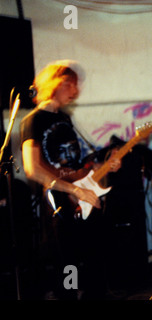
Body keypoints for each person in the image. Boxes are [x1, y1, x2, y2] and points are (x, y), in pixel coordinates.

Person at [20, 60, 121, 300]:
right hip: (59, 200)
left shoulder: (65, 119)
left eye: (76, 86)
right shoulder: (32, 121)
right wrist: (73, 190)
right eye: (69, 84)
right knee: (68, 264)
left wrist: (106, 164)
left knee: (95, 259)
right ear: (54, 84)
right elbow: (33, 168)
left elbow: (79, 163)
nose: (75, 91)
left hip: (81, 196)